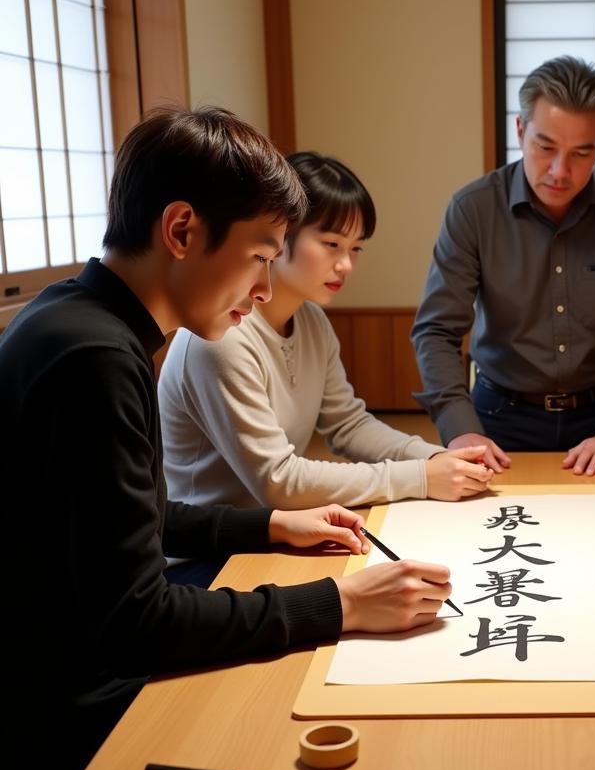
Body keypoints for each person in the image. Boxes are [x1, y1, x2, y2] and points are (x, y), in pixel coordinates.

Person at [0, 108, 452, 770]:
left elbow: (131, 516)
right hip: (60, 721)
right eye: (258, 257)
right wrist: (340, 604)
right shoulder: (95, 358)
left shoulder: (75, 322)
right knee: (306, 743)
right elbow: (137, 623)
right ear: (181, 232)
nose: (264, 285)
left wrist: (264, 529)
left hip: (62, 677)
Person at [159, 151, 492, 514]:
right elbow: (279, 481)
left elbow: (347, 424)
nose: (346, 264)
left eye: (356, 248)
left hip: (278, 531)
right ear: (280, 234)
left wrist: (439, 458)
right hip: (213, 554)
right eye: (332, 244)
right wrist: (421, 477)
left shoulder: (312, 321)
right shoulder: (222, 335)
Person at [412, 55, 595, 477]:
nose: (560, 171)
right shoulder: (474, 208)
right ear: (521, 130)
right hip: (497, 416)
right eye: (545, 147)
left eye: (581, 152)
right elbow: (436, 329)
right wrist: (460, 429)